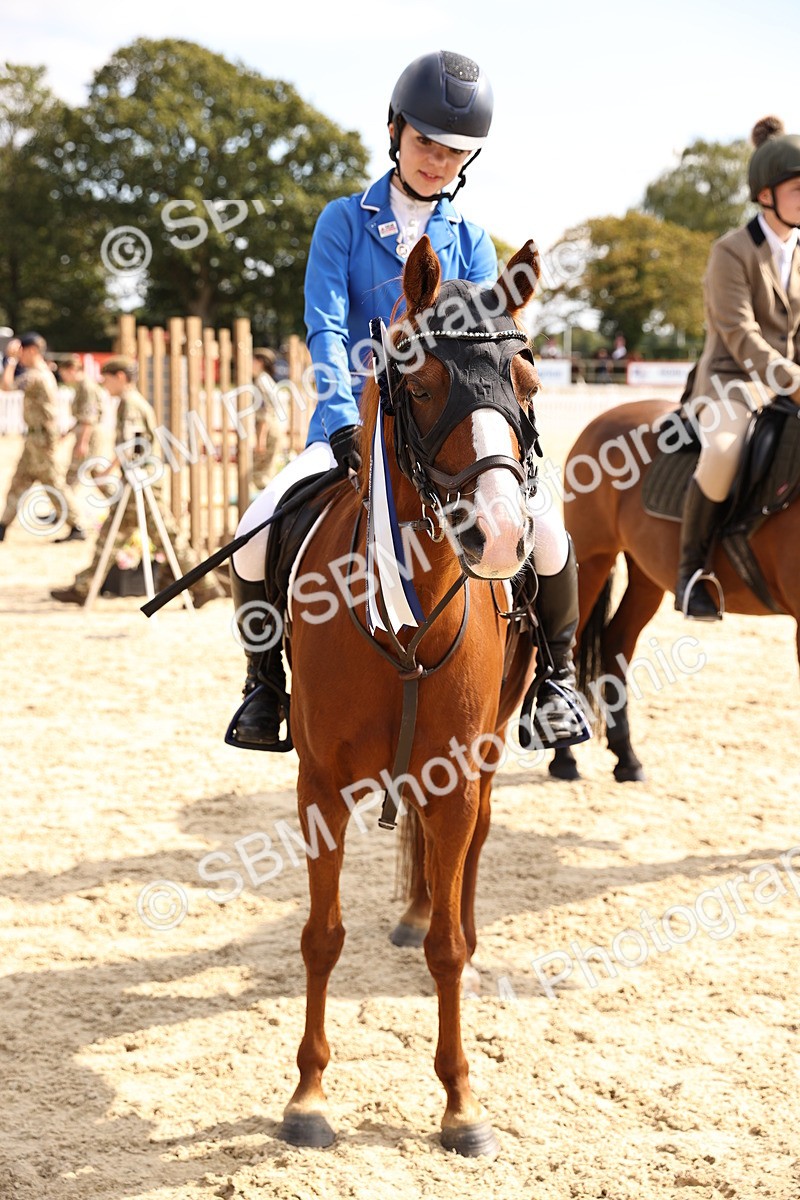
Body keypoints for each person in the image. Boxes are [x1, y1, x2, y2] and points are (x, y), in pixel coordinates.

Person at [227, 50, 586, 751]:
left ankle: (557, 679)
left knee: (545, 533)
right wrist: (338, 422)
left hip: (443, 436)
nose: (437, 160)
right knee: (258, 524)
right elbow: (325, 329)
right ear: (396, 131)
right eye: (426, 142)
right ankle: (264, 684)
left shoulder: (473, 242)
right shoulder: (341, 222)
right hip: (354, 432)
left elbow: (489, 349)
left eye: (455, 152)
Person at [675, 116, 800, 620]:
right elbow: (739, 333)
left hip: (788, 383)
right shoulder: (731, 251)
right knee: (724, 452)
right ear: (766, 195)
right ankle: (690, 573)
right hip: (733, 382)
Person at [50, 357, 224, 607]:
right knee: (114, 536)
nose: (105, 384)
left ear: (120, 376)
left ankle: (205, 586)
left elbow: (132, 446)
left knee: (166, 538)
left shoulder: (130, 404)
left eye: (107, 378)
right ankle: (84, 586)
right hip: (138, 482)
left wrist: (109, 469)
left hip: (141, 484)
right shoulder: (131, 402)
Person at [0, 333, 86, 543]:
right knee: (19, 482)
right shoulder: (41, 373)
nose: (18, 356)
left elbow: (6, 386)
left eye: (20, 352)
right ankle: (2, 526)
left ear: (31, 351)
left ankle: (77, 525)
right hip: (35, 439)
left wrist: (9, 360)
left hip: (42, 440)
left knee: (54, 483)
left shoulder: (37, 375)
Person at [58, 354, 106, 488]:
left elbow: (88, 419)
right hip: (86, 433)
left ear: (72, 369)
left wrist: (82, 443)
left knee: (73, 474)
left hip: (89, 435)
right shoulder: (81, 386)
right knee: (94, 473)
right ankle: (118, 502)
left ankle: (65, 506)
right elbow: (81, 419)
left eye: (64, 373)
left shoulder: (86, 387)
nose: (63, 377)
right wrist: (68, 433)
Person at [251, 348, 286, 491]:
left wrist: (260, 439)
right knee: (269, 470)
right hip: (275, 427)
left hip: (268, 428)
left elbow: (264, 414)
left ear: (259, 362)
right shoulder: (268, 380)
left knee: (260, 474)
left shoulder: (261, 381)